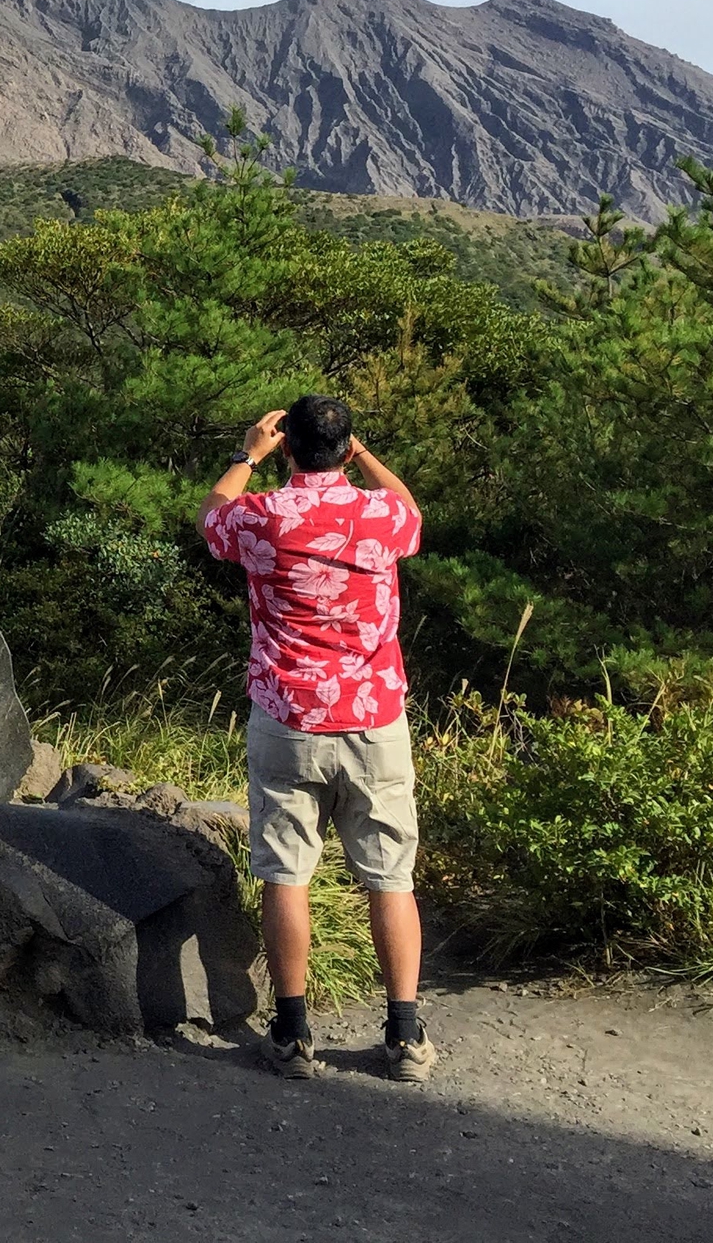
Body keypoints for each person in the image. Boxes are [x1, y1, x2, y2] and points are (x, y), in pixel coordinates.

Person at [200, 393, 435, 1083]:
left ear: (290, 448)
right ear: (347, 446)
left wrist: (248, 454)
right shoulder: (379, 515)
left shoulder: (262, 516)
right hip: (374, 720)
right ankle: (404, 1036)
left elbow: (211, 516)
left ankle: (293, 1033)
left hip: (288, 719)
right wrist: (363, 455)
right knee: (391, 877)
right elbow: (410, 508)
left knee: (285, 872)